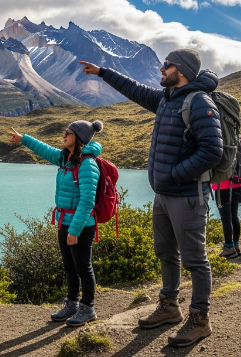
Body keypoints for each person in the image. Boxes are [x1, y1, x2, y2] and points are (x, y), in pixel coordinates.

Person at [80, 49, 223, 348]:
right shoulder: (166, 98)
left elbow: (212, 151)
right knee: (166, 253)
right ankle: (169, 306)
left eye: (167, 65)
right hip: (164, 195)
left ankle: (200, 319)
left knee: (195, 260)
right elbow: (134, 89)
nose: (161, 68)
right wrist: (103, 72)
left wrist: (174, 174)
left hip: (187, 196)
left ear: (180, 70)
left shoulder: (199, 102)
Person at [9, 121, 103, 327]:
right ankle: (72, 304)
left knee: (83, 268)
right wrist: (23, 138)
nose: (63, 135)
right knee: (70, 267)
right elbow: (44, 149)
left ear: (78, 137)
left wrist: (75, 229)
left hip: (81, 225)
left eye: (68, 133)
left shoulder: (87, 164)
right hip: (64, 222)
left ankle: (88, 308)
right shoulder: (65, 159)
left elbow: (87, 200)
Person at [212, 179, 241, 259]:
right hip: (237, 185)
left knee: (226, 219)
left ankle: (229, 248)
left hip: (221, 187)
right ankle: (236, 246)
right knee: (234, 217)